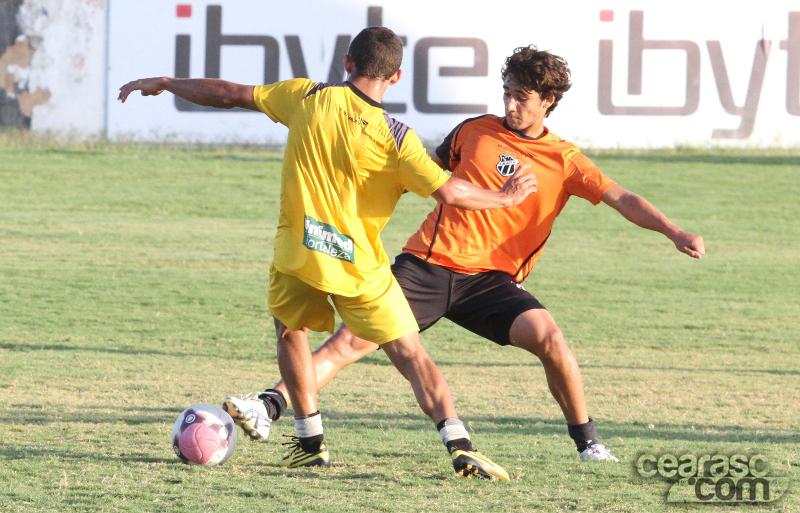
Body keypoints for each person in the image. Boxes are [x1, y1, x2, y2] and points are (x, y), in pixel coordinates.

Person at [220, 45, 706, 463]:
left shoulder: (565, 160)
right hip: (426, 267)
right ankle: (268, 405)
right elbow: (418, 175)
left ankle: (589, 444)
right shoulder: (474, 130)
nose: (511, 105)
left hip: (490, 283)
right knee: (348, 344)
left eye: (523, 97)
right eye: (507, 93)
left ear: (549, 101)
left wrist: (673, 230)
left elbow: (622, 198)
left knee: (551, 339)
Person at [118, 27, 540, 480]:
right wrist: (506, 197)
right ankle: (460, 446)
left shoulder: (307, 97)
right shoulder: (399, 138)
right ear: (396, 77)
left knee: (291, 332)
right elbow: (451, 192)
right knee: (411, 355)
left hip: (300, 252)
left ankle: (311, 442)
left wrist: (167, 82)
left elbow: (227, 93)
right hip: (360, 267)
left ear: (347, 62)